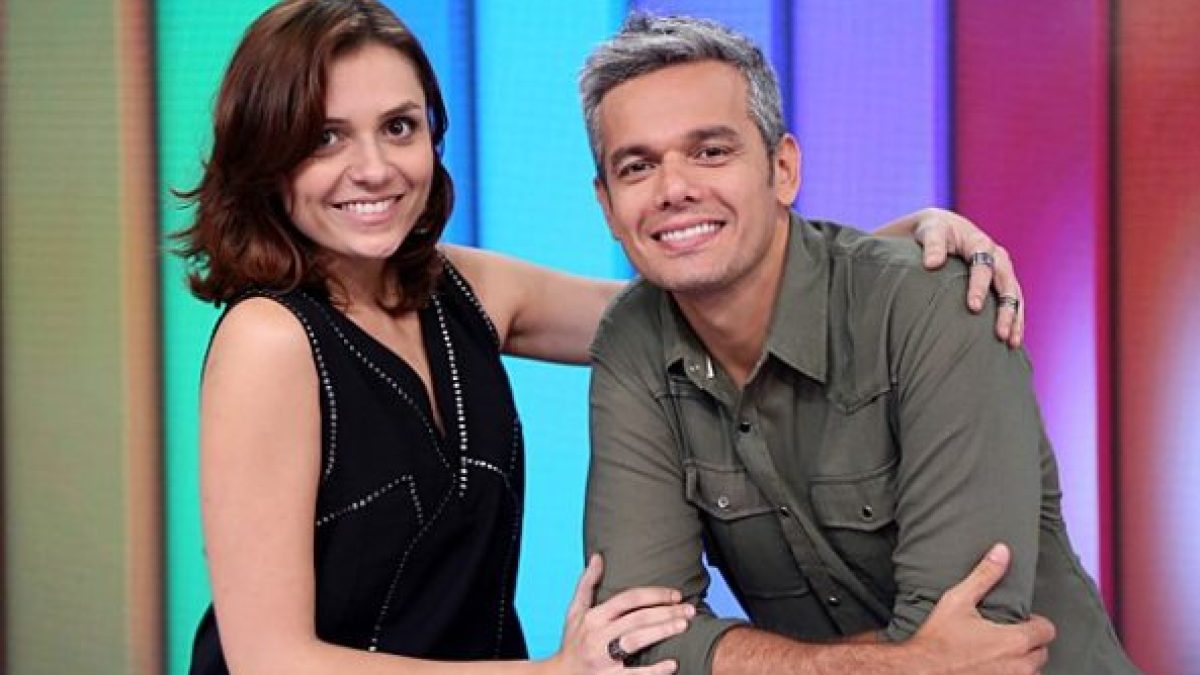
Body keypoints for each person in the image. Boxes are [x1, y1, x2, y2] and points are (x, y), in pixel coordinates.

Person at [177, 1, 1036, 673]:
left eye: (398, 127)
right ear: (267, 155)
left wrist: (892, 249)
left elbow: (696, 287)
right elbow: (271, 660)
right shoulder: (269, 340)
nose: (373, 167)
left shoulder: (457, 285)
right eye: (326, 137)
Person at [582, 14, 1138, 675]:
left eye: (710, 152)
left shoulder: (935, 306)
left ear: (783, 169)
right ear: (608, 206)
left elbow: (973, 648)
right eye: (638, 166)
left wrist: (736, 657)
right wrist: (901, 663)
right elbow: (637, 643)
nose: (674, 189)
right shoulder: (632, 341)